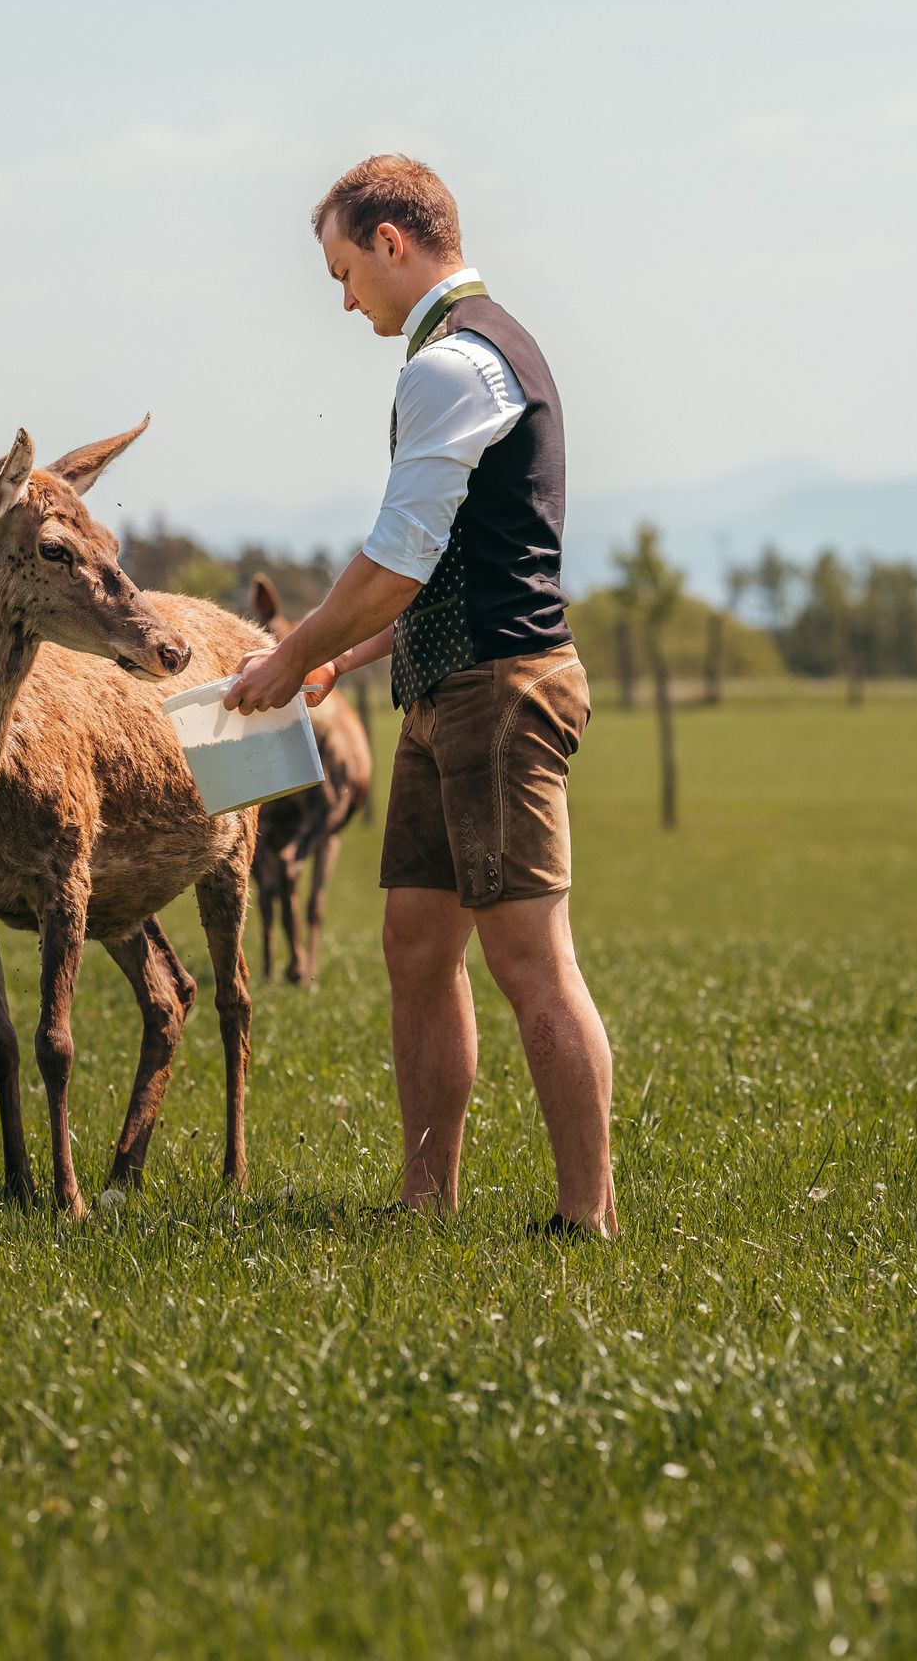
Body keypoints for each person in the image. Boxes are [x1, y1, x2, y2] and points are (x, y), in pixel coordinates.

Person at [226, 155, 615, 1235]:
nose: (346, 299)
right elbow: (446, 564)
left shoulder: (451, 364)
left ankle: (588, 1217)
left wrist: (280, 654)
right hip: (443, 684)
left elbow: (395, 560)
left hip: (502, 688)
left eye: (348, 271)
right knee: (413, 940)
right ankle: (424, 1199)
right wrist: (338, 661)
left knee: (530, 953)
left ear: (393, 242)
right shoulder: (474, 353)